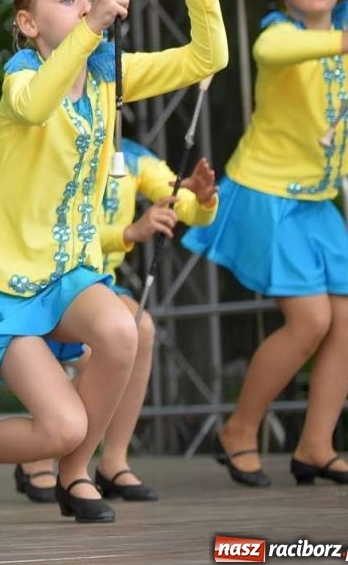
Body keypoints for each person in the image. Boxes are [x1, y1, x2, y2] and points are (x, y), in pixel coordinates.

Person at [0, 0, 225, 524]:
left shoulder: (110, 75)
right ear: (28, 23)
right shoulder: (21, 77)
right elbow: (38, 105)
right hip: (1, 282)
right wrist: (92, 28)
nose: (87, 7)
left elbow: (207, 58)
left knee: (125, 330)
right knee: (60, 425)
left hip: (69, 273)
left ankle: (75, 473)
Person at [183, 0, 348, 488]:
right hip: (265, 193)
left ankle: (315, 446)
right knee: (310, 318)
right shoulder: (279, 30)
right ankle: (239, 429)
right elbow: (271, 51)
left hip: (315, 199)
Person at [13, 137, 218, 503]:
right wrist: (128, 232)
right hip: (47, 280)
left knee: (141, 327)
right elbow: (50, 230)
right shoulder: (57, 146)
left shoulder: (134, 157)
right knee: (102, 352)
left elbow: (183, 206)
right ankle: (40, 454)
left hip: (99, 284)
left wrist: (202, 200)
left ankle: (113, 461)